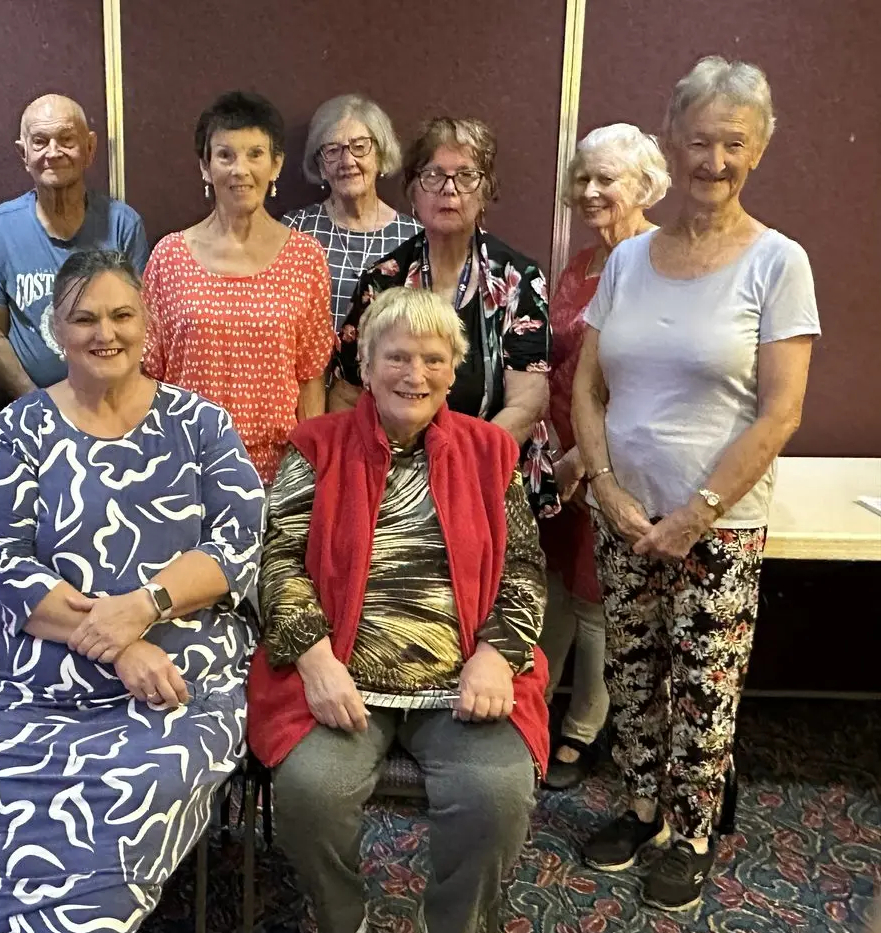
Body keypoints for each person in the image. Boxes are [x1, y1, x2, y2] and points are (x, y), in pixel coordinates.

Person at [0, 250, 264, 933]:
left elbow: (238, 542)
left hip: (178, 668)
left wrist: (143, 610)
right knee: (16, 791)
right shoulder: (17, 430)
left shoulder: (201, 424)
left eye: (121, 314)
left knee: (148, 782)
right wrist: (117, 648)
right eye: (83, 318)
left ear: (149, 323)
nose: (103, 332)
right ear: (56, 329)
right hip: (20, 673)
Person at [572, 57, 819, 910]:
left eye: (734, 144)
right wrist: (604, 484)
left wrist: (698, 511)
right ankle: (642, 808)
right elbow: (587, 385)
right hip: (626, 511)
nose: (713, 160)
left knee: (704, 686)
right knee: (635, 676)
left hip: (717, 524)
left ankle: (694, 829)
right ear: (671, 144)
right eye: (700, 141)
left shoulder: (778, 263)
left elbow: (780, 413)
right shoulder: (630, 259)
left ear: (760, 150)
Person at [249, 287, 549, 933]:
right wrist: (317, 661)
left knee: (495, 796)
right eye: (398, 356)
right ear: (365, 365)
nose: (415, 374)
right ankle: (342, 918)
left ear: (454, 368)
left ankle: (455, 923)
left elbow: (524, 567)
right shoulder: (316, 445)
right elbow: (277, 560)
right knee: (310, 793)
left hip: (462, 678)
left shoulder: (491, 452)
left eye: (434, 359)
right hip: (343, 676)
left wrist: (497, 656)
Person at [330, 118, 554, 511]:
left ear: (486, 191)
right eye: (434, 175)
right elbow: (347, 396)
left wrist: (457, 468)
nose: (449, 189)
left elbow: (526, 403)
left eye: (466, 176)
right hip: (392, 484)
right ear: (413, 191)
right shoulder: (382, 282)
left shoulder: (518, 280)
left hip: (488, 479)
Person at [537, 124, 669, 790]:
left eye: (606, 179)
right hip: (559, 448)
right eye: (582, 177)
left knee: (597, 598)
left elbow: (637, 378)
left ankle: (584, 729)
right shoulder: (581, 263)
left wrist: (584, 460)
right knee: (557, 585)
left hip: (609, 456)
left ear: (643, 185)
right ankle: (537, 706)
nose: (590, 191)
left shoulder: (655, 261)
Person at [143, 90, 333, 484]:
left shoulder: (305, 258)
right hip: (183, 470)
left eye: (255, 154)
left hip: (278, 474)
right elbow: (149, 375)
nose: (240, 169)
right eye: (225, 155)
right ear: (205, 166)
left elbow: (310, 379)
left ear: (276, 164)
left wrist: (311, 472)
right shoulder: (168, 257)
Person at [0, 94, 150, 400]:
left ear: (90, 148)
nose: (53, 153)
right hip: (28, 407)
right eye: (40, 141)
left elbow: (139, 326)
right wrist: (38, 404)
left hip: (112, 403)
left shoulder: (123, 224)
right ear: (23, 153)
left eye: (66, 140)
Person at [281, 94, 421, 330]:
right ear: (321, 166)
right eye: (333, 150)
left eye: (359, 147)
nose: (347, 160)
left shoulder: (413, 237)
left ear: (380, 154)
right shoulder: (296, 230)